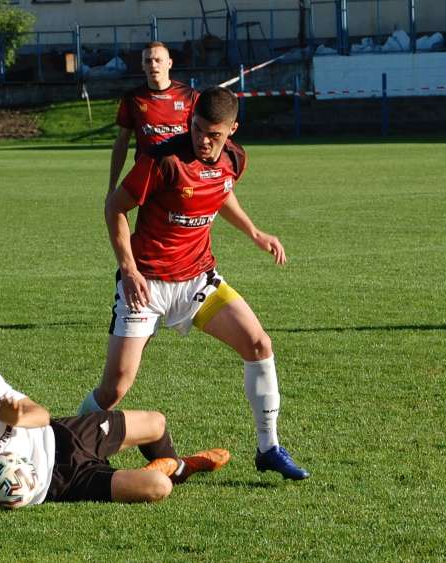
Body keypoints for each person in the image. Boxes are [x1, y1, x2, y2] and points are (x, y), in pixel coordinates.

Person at [78, 86, 310, 481]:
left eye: (214, 134)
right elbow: (114, 207)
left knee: (259, 344)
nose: (203, 140)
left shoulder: (234, 160)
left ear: (232, 130)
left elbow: (220, 193)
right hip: (146, 284)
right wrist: (130, 270)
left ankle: (268, 447)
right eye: (198, 129)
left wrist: (254, 232)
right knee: (115, 387)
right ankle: (70, 447)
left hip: (197, 280)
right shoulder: (162, 159)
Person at [0, 331, 229, 523]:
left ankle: (182, 467)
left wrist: (16, 417)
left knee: (156, 423)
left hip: (64, 434)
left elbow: (40, 413)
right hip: (59, 482)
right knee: (157, 487)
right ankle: (170, 471)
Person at [108, 41, 198, 194]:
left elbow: (201, 136)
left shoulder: (189, 96)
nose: (153, 65)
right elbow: (121, 142)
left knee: (185, 218)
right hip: (147, 175)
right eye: (148, 61)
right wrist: (112, 186)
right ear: (143, 65)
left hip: (182, 175)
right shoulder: (133, 98)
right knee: (116, 208)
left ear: (169, 63)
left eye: (158, 60)